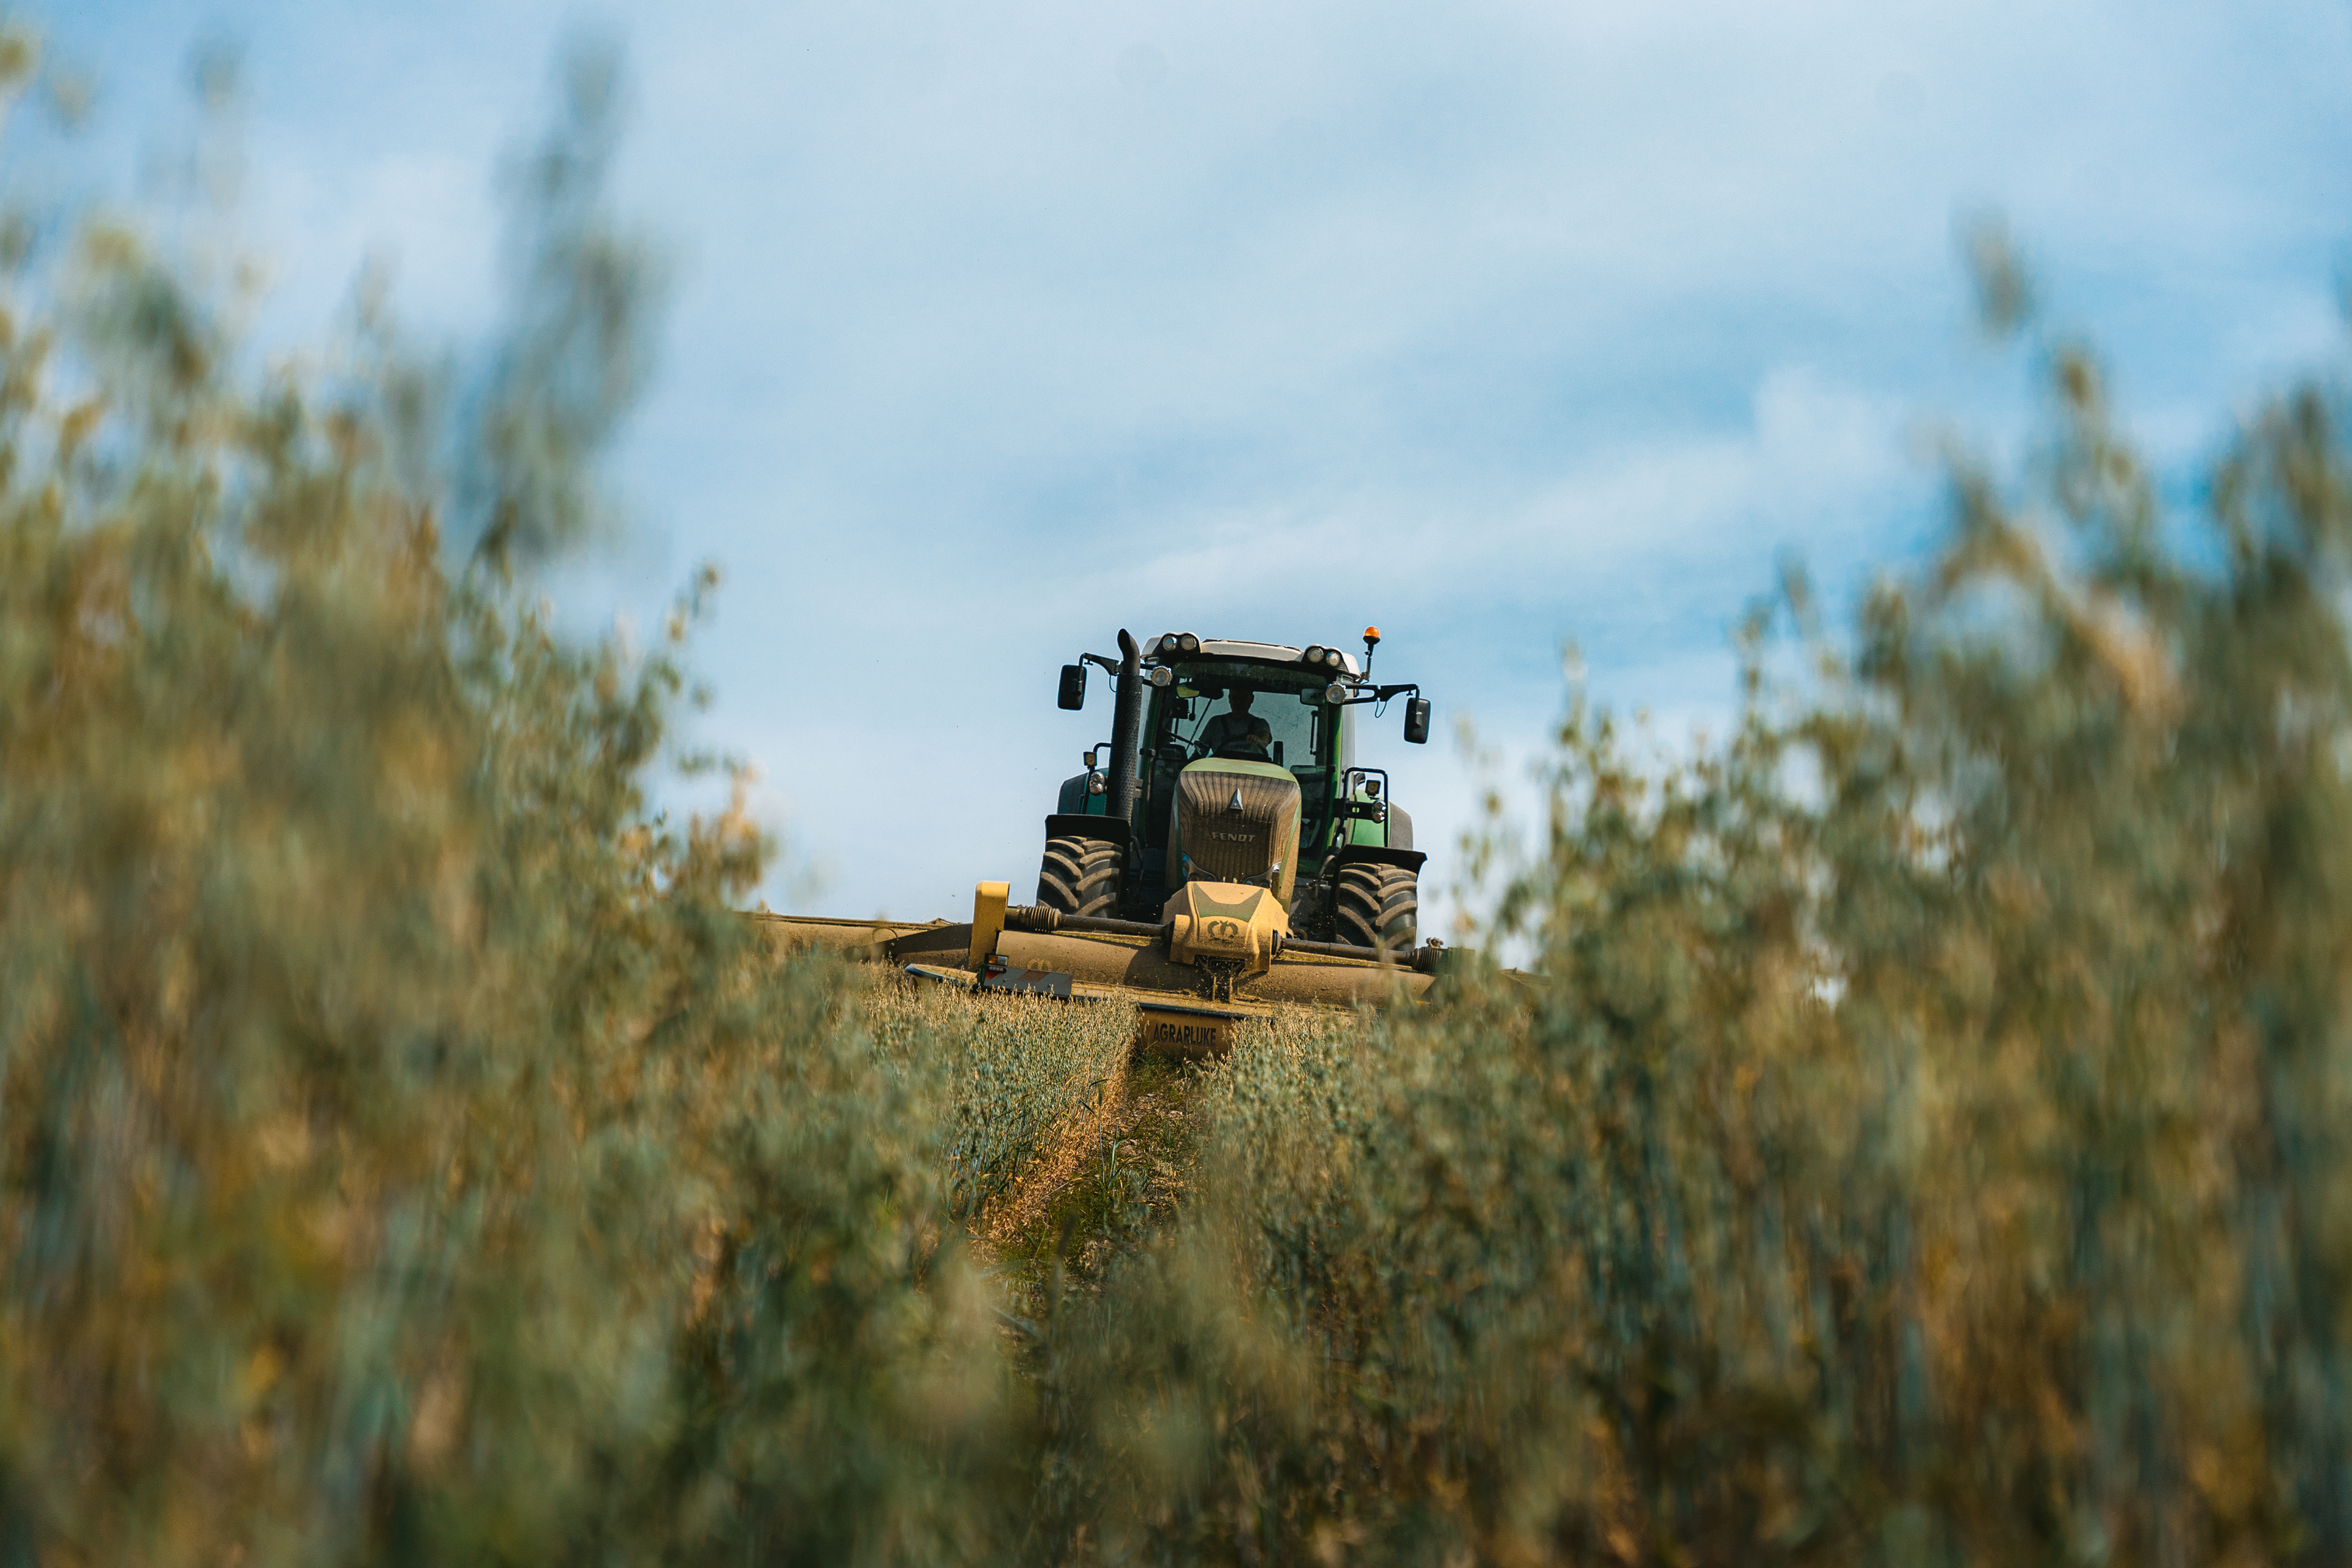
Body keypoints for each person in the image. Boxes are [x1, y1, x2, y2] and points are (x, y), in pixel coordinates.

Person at [1196, 686, 1273, 759]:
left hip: (1251, 766)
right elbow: (1200, 751)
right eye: (1234, 698)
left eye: (1243, 699)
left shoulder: (1260, 724)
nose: (1238, 702)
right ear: (1229, 699)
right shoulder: (1216, 722)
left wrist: (1258, 740)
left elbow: (1264, 739)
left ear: (1252, 699)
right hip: (1220, 766)